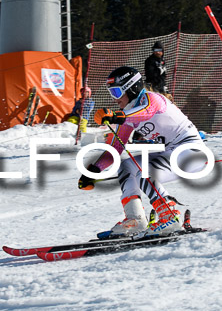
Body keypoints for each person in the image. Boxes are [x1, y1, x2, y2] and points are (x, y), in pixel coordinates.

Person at [78, 66, 205, 237]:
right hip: (172, 153)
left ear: (131, 88)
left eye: (116, 92)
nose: (115, 99)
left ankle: (170, 215)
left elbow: (145, 112)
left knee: (144, 170)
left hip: (190, 152)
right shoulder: (128, 115)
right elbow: (116, 147)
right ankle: (135, 219)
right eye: (111, 93)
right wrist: (94, 171)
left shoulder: (152, 99)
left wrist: (116, 116)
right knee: (128, 165)